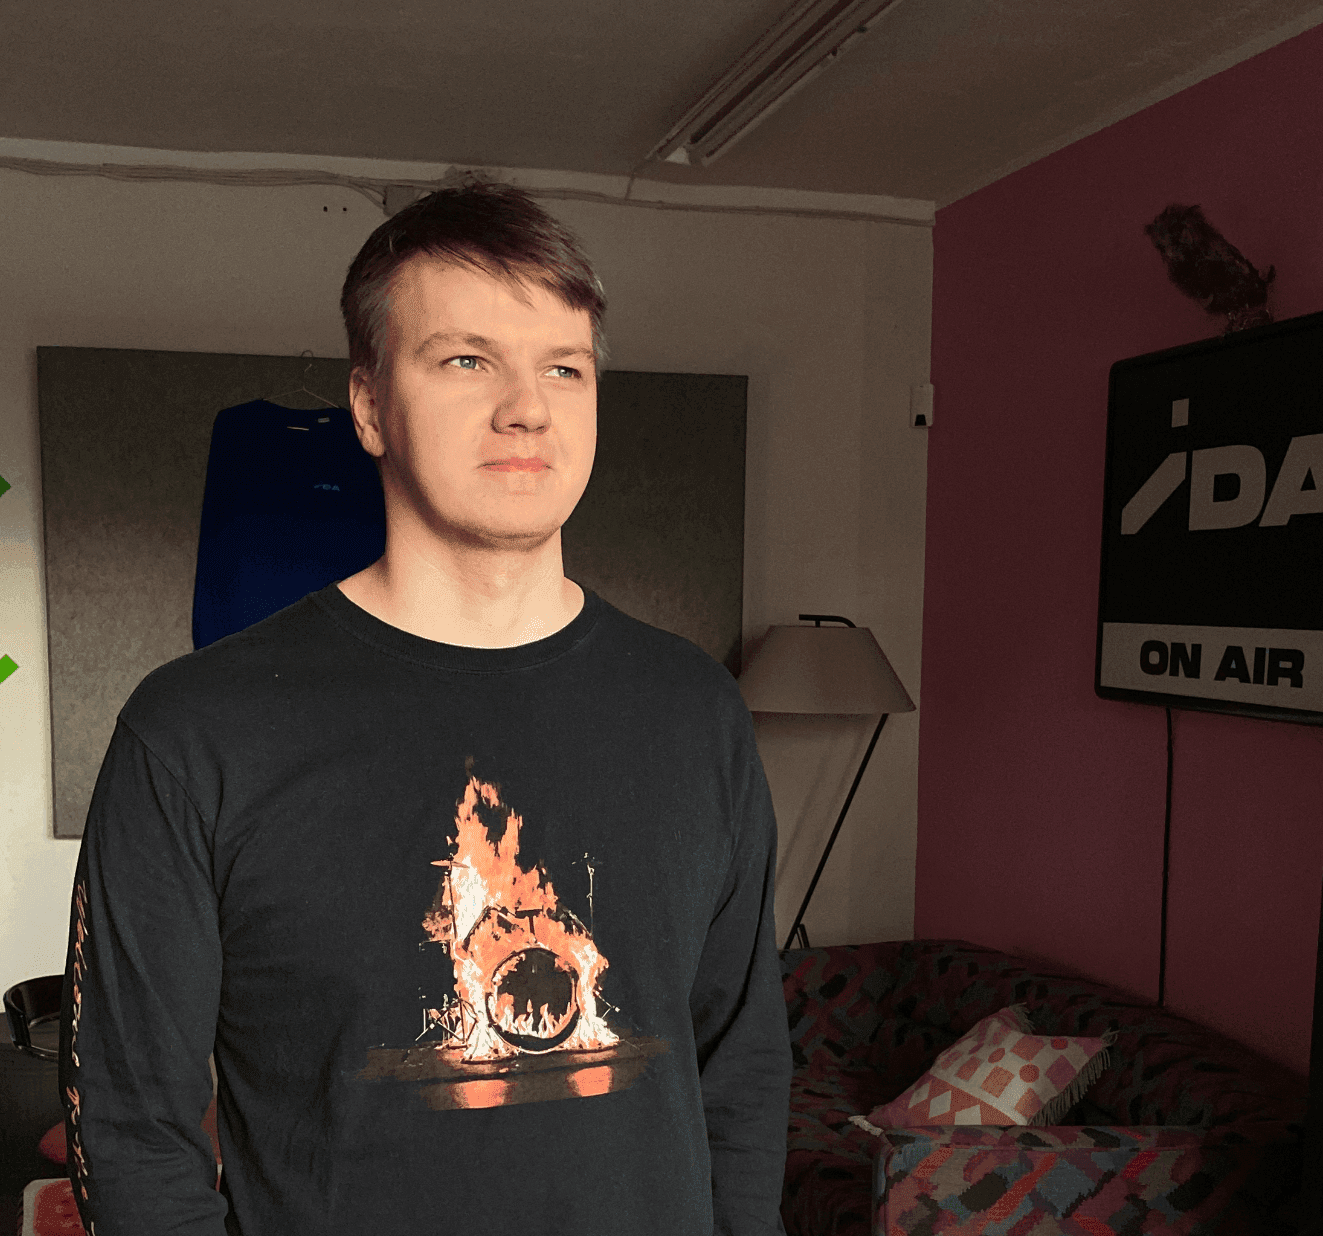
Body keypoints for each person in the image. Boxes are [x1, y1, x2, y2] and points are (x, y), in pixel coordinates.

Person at [59, 181, 791, 1236]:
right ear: (368, 406)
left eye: (564, 367)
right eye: (465, 360)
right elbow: (130, 1127)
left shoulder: (696, 712)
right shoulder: (196, 732)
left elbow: (744, 1072)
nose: (527, 407)